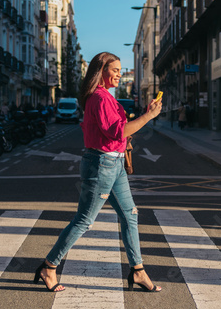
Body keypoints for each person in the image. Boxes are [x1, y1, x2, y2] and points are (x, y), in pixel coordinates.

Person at [33, 52, 163, 293]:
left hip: (115, 164)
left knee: (130, 215)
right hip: (101, 164)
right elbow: (119, 132)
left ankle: (138, 271)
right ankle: (48, 267)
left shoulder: (106, 97)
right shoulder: (100, 98)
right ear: (101, 71)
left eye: (120, 70)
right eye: (115, 70)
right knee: (84, 221)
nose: (119, 74)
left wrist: (145, 112)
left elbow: (120, 128)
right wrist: (150, 116)